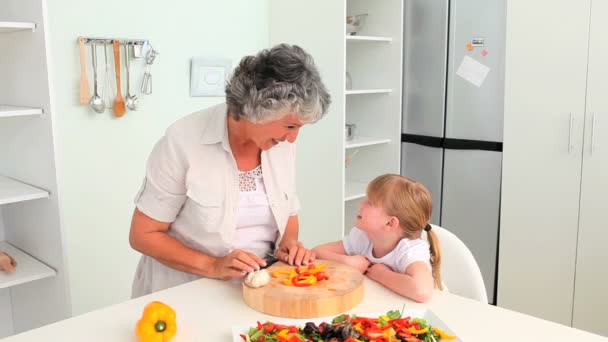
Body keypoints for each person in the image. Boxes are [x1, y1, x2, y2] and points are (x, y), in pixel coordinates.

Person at [129, 44, 331, 297]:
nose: (293, 139)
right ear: (257, 110)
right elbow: (143, 235)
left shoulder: (278, 143)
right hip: (183, 294)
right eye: (290, 126)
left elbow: (288, 211)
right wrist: (213, 265)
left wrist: (288, 244)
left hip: (258, 291)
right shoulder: (183, 141)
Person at [313, 174, 442, 303]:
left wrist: (382, 275)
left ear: (390, 223)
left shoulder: (410, 250)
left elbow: (422, 291)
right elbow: (318, 252)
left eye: (370, 202)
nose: (361, 203)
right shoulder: (363, 237)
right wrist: (347, 261)